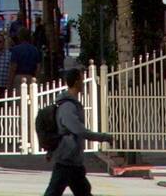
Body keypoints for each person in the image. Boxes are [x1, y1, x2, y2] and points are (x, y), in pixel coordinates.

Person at [44, 68, 114, 196]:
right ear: (76, 82)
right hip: (67, 158)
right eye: (81, 79)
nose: (83, 83)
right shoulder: (68, 107)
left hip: (72, 159)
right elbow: (79, 130)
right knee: (55, 192)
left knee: (83, 191)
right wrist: (104, 137)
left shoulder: (71, 104)